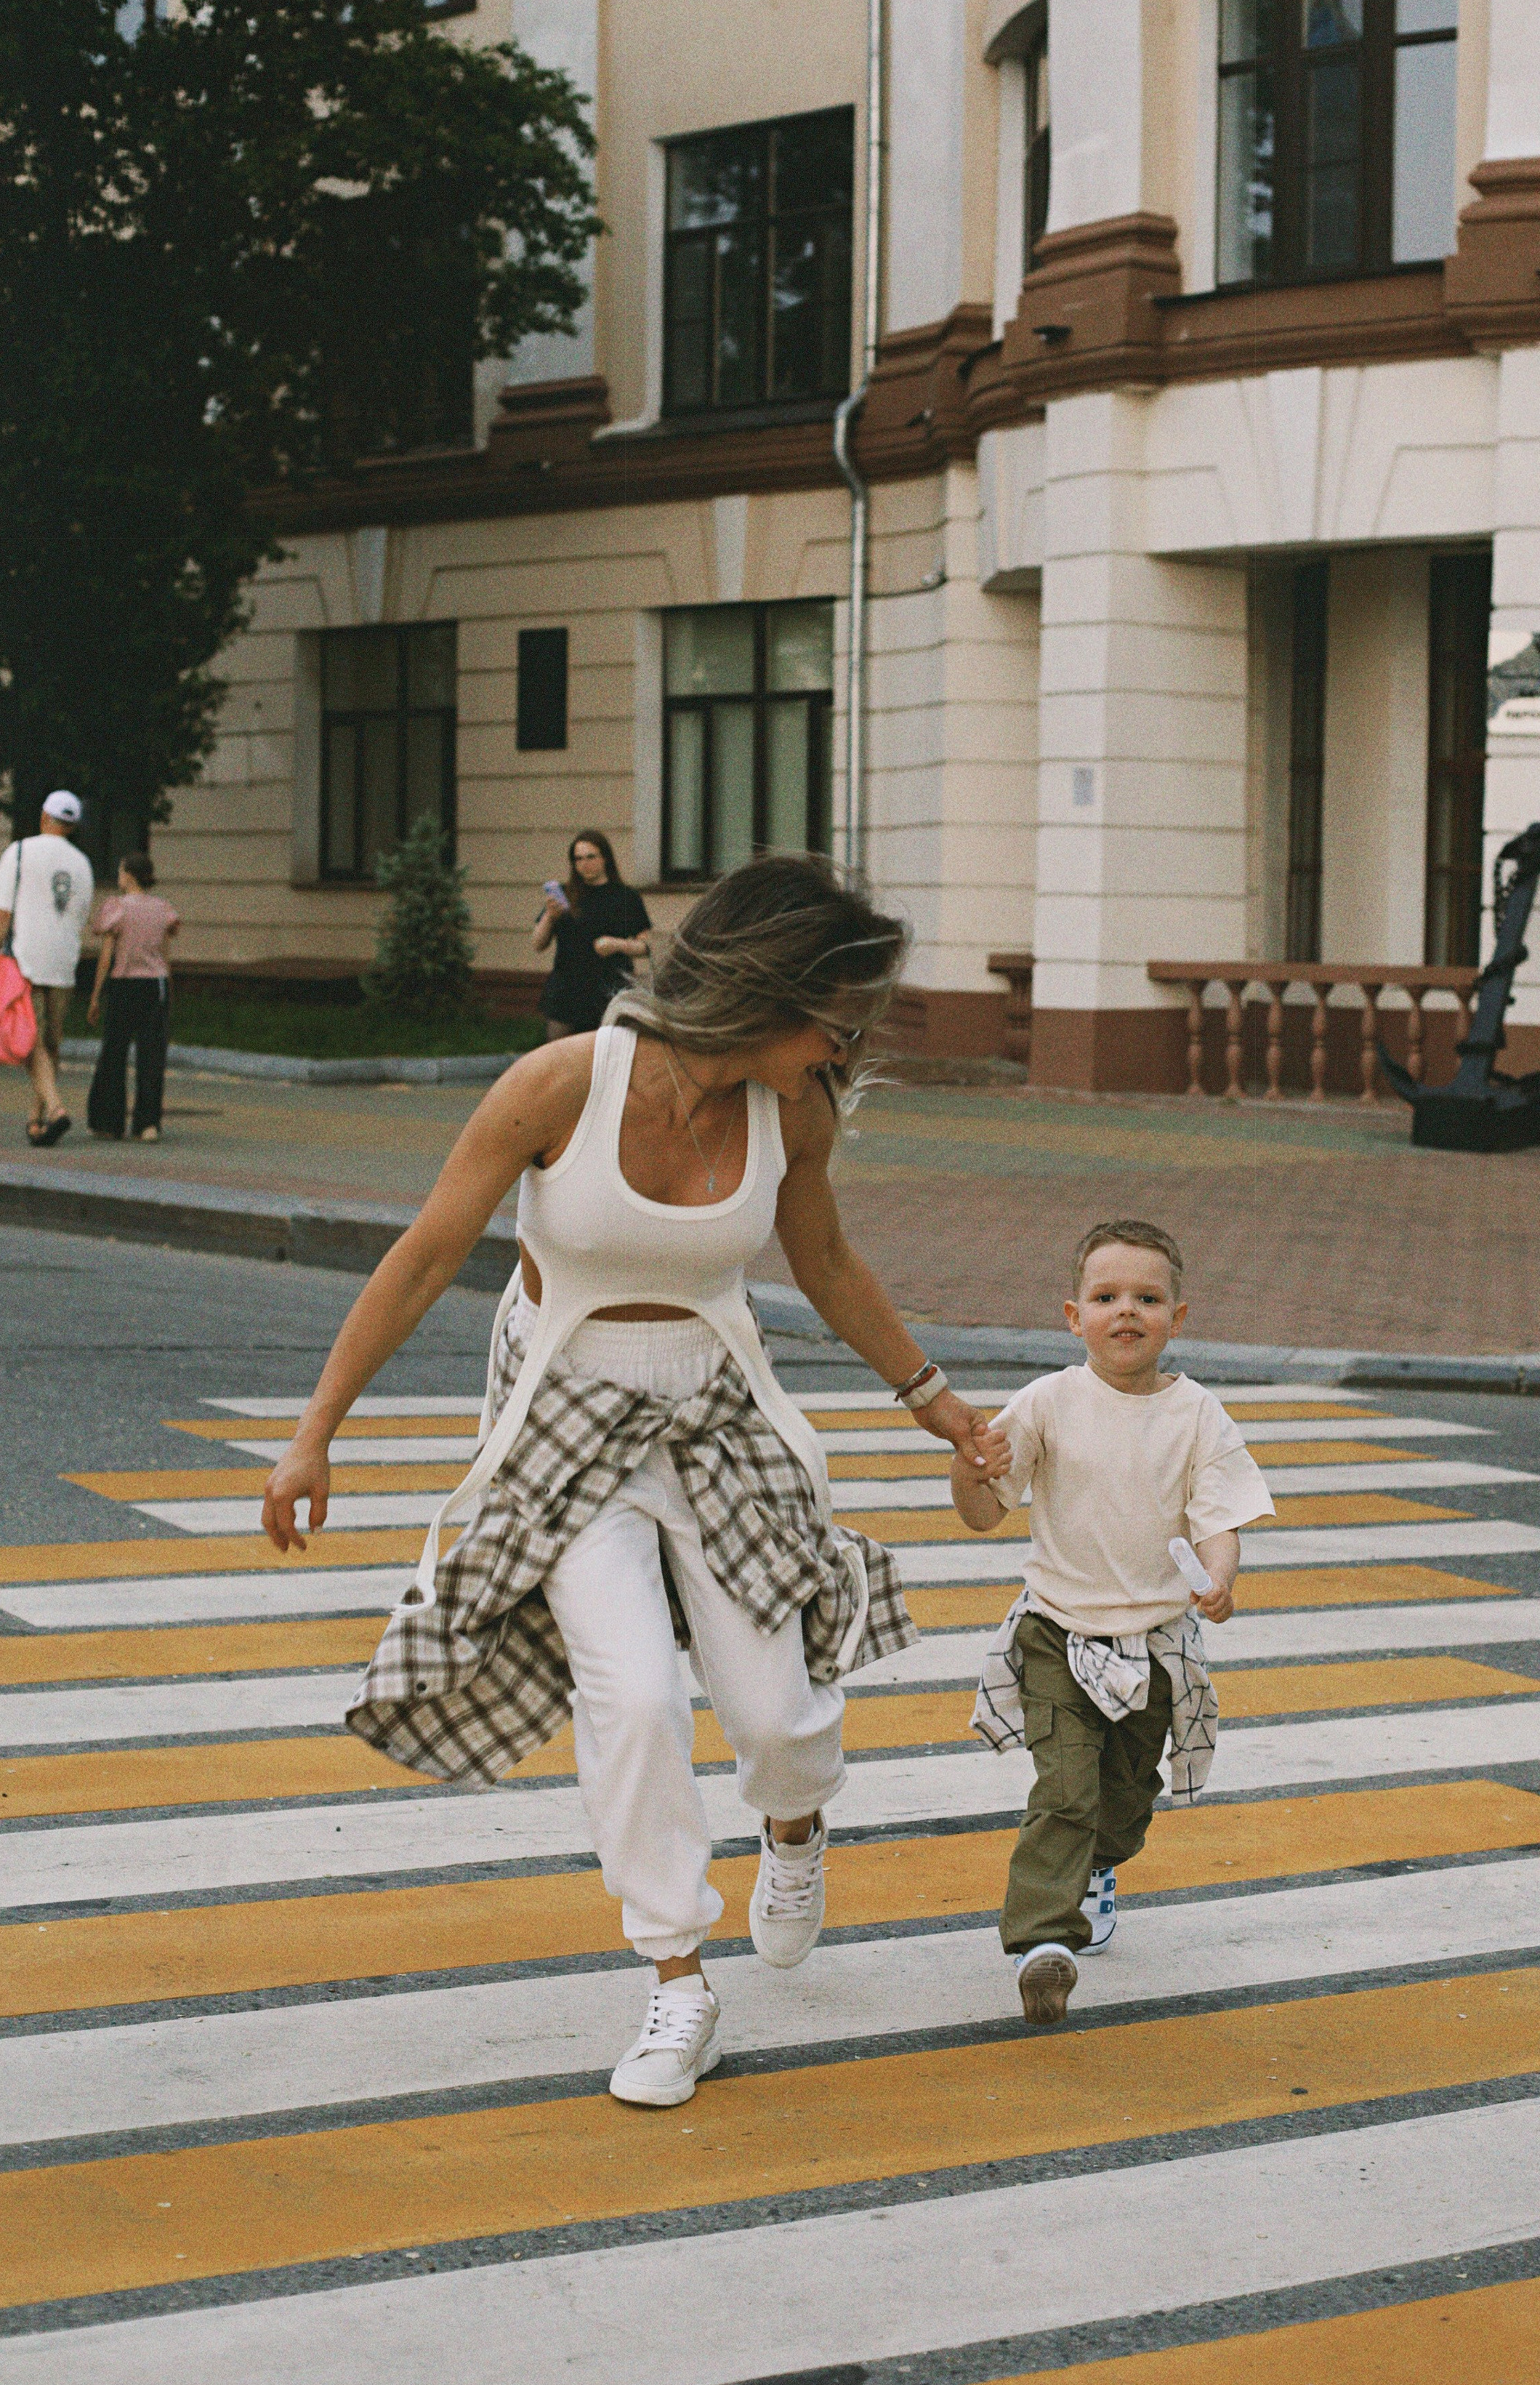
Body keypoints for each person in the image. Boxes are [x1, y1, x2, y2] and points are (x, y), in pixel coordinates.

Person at [260, 852, 991, 2110]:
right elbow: (429, 1253)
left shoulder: (793, 1107)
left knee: (775, 1716)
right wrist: (314, 1430)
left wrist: (939, 1404)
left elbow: (826, 1265)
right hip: (562, 1404)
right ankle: (677, 1976)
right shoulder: (562, 1083)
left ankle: (798, 1823)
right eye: (840, 1011)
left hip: (711, 1398)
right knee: (635, 1693)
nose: (852, 1038)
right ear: (768, 990)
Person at [956, 1218, 1276, 2024]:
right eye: (1105, 1297)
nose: (1125, 1312)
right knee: (1065, 1789)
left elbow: (1220, 1516)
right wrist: (968, 1467)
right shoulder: (1048, 1402)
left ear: (1178, 1316)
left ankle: (1101, 1864)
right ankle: (1041, 1942)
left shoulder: (1198, 1414)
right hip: (1058, 1633)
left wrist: (1219, 1580)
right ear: (1074, 1316)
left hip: (1157, 1644)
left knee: (1127, 1793)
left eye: (1147, 1297)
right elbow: (985, 1509)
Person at [0, 791, 95, 1148]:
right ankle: (36, 1121)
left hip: (27, 961)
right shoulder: (83, 864)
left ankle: (54, 1109)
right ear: (73, 825)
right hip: (64, 962)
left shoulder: (19, 852)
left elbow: (2, 914)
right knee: (51, 1041)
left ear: (43, 817)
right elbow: (81, 916)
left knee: (29, 1042)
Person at [86, 853, 180, 1142]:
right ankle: (147, 1124)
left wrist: (95, 996)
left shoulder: (117, 908)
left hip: (124, 986)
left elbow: (106, 957)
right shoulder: (163, 908)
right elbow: (165, 952)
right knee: (152, 1055)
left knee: (114, 1053)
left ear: (129, 876)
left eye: (120, 870)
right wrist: (169, 987)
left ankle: (109, 1123)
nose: (118, 875)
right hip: (156, 986)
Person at [533, 829, 651, 1039]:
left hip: (609, 989)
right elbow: (538, 944)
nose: (584, 864)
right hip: (567, 990)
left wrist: (618, 945)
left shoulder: (626, 897)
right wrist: (549, 916)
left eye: (591, 857)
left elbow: (646, 946)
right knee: (558, 1057)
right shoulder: (565, 894)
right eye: (578, 859)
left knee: (604, 1054)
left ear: (605, 858)